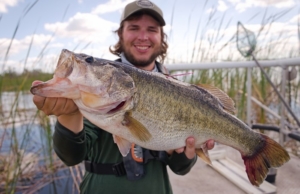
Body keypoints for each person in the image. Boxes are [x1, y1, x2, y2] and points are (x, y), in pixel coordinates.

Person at [32, 1, 214, 193]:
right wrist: (68, 115)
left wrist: (182, 152)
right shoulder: (102, 86)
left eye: (152, 29)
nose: (143, 36)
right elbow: (71, 156)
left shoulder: (180, 90)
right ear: (121, 33)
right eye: (134, 28)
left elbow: (181, 168)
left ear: (161, 37)